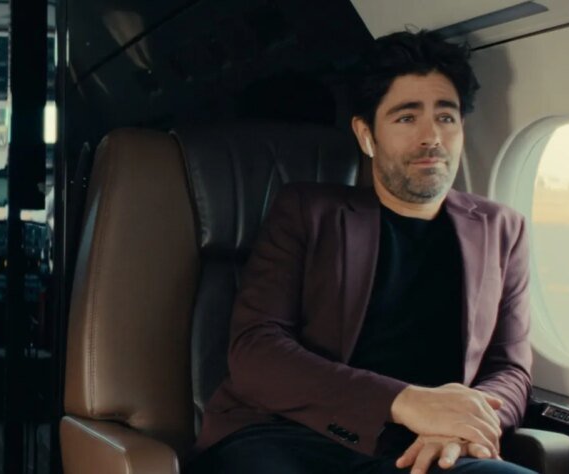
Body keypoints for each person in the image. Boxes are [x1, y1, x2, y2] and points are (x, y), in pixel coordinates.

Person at [186, 30, 533, 474]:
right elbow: (257, 350)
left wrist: (463, 424)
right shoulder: (307, 212)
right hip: (290, 438)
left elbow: (511, 369)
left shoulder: (502, 228)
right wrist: (404, 401)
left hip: (426, 449)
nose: (432, 136)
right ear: (366, 135)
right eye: (406, 118)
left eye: (446, 117)